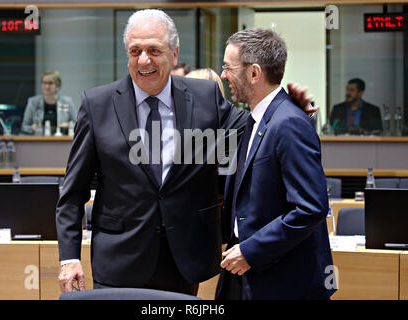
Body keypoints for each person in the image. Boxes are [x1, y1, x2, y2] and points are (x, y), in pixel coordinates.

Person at [56, 9, 316, 295]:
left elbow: (255, 127)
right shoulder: (97, 104)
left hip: (182, 261)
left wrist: (290, 110)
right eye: (135, 51)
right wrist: (69, 259)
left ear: (174, 53)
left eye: (154, 50)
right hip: (119, 260)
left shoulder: (205, 97)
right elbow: (73, 191)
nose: (144, 60)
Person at [217, 28, 336, 300]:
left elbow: (310, 207)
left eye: (228, 67)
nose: (224, 75)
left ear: (254, 73)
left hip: (282, 281)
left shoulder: (289, 123)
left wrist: (251, 250)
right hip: (249, 275)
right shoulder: (257, 119)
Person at [21, 71, 77, 135]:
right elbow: (24, 126)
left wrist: (69, 125)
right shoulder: (33, 102)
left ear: (57, 85)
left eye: (50, 83)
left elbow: (78, 124)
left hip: (61, 141)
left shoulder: (67, 102)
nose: (47, 86)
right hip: (38, 142)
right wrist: (32, 128)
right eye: (44, 83)